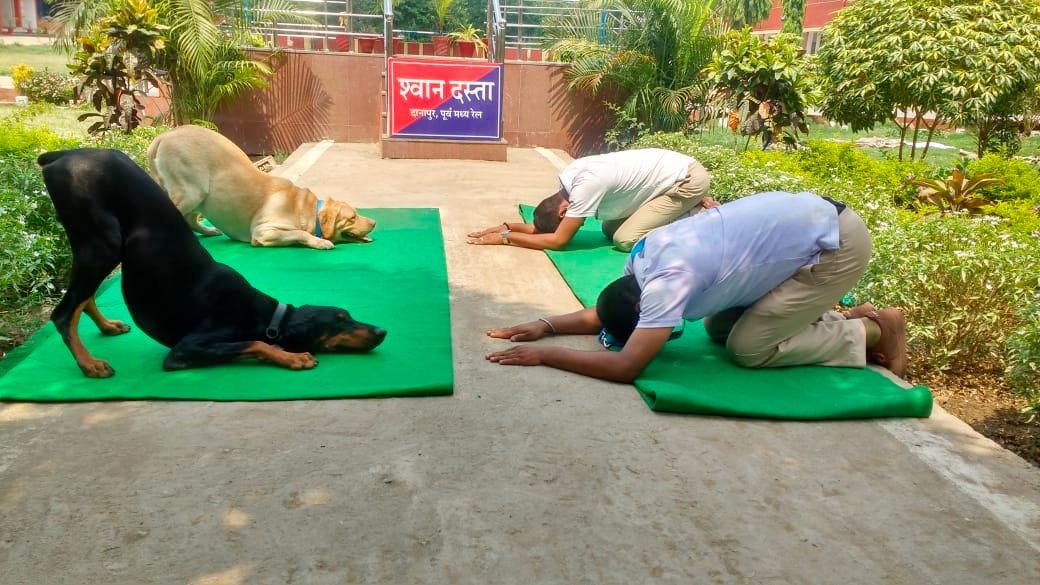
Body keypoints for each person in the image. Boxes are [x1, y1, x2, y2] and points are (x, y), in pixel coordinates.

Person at [484, 191, 908, 382]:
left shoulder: (669, 286)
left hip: (836, 245)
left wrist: (544, 355)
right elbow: (605, 311)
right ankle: (831, 315)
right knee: (720, 331)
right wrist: (547, 324)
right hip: (808, 222)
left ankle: (872, 329)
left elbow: (626, 366)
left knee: (747, 349)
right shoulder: (642, 261)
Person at [467, 148, 716, 251]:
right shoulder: (569, 177)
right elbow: (539, 229)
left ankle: (697, 217)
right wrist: (508, 225)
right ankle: (686, 206)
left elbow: (557, 240)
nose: (580, 224)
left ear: (563, 213)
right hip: (670, 173)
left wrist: (505, 239)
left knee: (625, 239)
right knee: (610, 229)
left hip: (685, 182)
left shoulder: (585, 188)